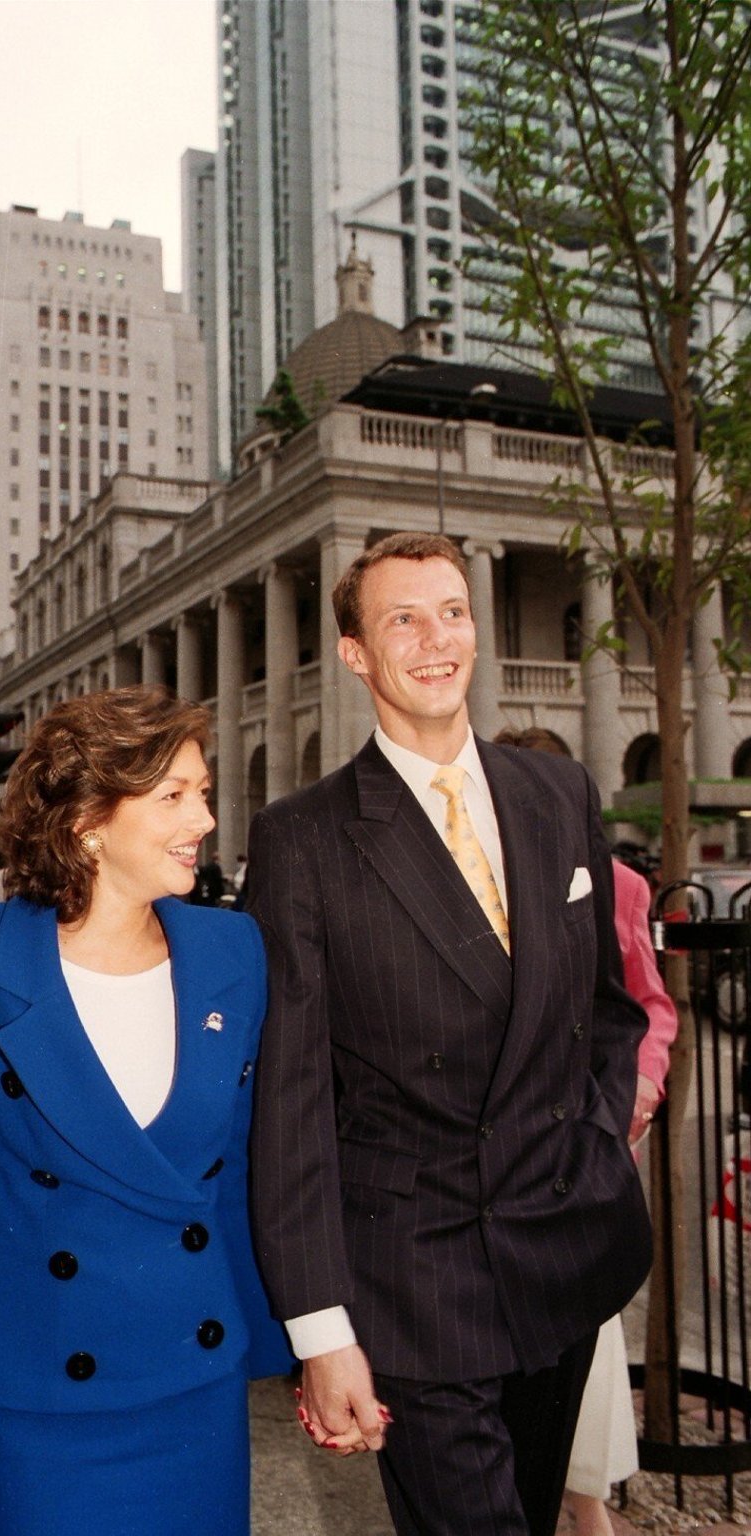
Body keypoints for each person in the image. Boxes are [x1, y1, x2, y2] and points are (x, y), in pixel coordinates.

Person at [247, 532, 652, 1536]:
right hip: (415, 1288)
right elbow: (289, 1103)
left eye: (453, 612)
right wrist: (320, 1329)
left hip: (561, 1257)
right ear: (355, 653)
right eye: (403, 619)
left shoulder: (556, 792)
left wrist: (593, 1142)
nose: (437, 640)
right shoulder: (303, 837)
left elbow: (608, 1011)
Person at [0, 686, 290, 1535]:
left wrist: (309, 1339)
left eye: (203, 792)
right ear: (87, 820)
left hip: (195, 1382)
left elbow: (250, 1169)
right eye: (174, 796)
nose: (204, 820)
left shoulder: (232, 949)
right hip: (39, 1392)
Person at [495, 730, 678, 1534]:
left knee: (586, 1338)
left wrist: (639, 1084)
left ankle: (583, 1498)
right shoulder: (469, 874)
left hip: (587, 1149)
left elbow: (648, 1006)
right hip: (495, 1162)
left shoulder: (620, 886)